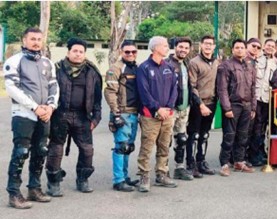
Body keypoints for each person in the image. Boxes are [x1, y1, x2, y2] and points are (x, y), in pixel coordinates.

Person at [4, 27, 59, 209]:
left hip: (44, 114)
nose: (36, 42)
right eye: (32, 39)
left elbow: (54, 86)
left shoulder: (47, 63)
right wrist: (35, 107)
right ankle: (14, 193)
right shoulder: (14, 61)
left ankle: (34, 189)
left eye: (39, 39)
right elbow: (12, 88)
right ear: (24, 40)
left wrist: (50, 107)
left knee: (41, 150)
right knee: (21, 153)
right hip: (23, 114)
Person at [45, 38, 102, 196]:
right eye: (75, 51)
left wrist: (96, 118)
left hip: (82, 116)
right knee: (56, 149)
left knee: (87, 149)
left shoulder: (91, 71)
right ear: (68, 52)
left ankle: (82, 180)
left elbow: (97, 97)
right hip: (60, 114)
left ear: (84, 54)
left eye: (81, 52)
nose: (78, 54)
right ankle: (53, 182)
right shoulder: (56, 69)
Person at [136, 36, 178, 192]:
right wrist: (157, 108)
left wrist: (169, 108)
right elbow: (144, 92)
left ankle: (162, 173)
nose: (168, 48)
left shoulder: (169, 67)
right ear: (155, 48)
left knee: (164, 146)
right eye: (165, 45)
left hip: (167, 115)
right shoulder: (144, 68)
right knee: (147, 147)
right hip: (150, 116)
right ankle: (144, 175)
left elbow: (175, 89)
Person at [104, 40, 141, 192]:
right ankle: (118, 180)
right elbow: (110, 92)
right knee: (121, 146)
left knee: (129, 147)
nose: (130, 54)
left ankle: (125, 177)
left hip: (134, 112)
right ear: (121, 52)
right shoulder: (116, 68)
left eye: (133, 52)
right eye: (127, 52)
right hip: (122, 112)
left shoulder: (137, 68)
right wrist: (116, 113)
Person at [217, 39, 257, 177]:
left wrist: (253, 107)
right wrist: (227, 108)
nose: (240, 50)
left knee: (243, 135)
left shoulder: (250, 66)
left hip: (247, 106)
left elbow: (253, 88)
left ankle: (239, 161)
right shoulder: (225, 66)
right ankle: (224, 163)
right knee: (229, 135)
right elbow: (222, 89)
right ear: (232, 50)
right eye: (237, 47)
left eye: (242, 47)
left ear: (246, 50)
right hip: (233, 105)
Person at [186, 35, 220, 177]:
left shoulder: (217, 62)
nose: (208, 46)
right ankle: (191, 163)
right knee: (194, 134)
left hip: (211, 103)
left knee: (205, 134)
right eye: (205, 44)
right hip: (197, 104)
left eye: (210, 44)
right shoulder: (194, 63)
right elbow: (192, 85)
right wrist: (200, 104)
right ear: (201, 45)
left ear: (214, 46)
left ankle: (201, 161)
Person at [164, 37, 194, 181]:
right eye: (180, 47)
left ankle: (179, 168)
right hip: (171, 109)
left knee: (181, 139)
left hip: (184, 108)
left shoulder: (186, 64)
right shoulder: (167, 64)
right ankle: (163, 170)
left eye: (186, 48)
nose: (183, 50)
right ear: (175, 47)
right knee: (165, 140)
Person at [247, 38, 277, 166]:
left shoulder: (274, 62)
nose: (270, 47)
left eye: (272, 46)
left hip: (266, 98)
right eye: (268, 45)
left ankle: (260, 152)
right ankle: (252, 155)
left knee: (262, 127)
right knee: (255, 128)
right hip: (256, 98)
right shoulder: (257, 60)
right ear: (264, 47)